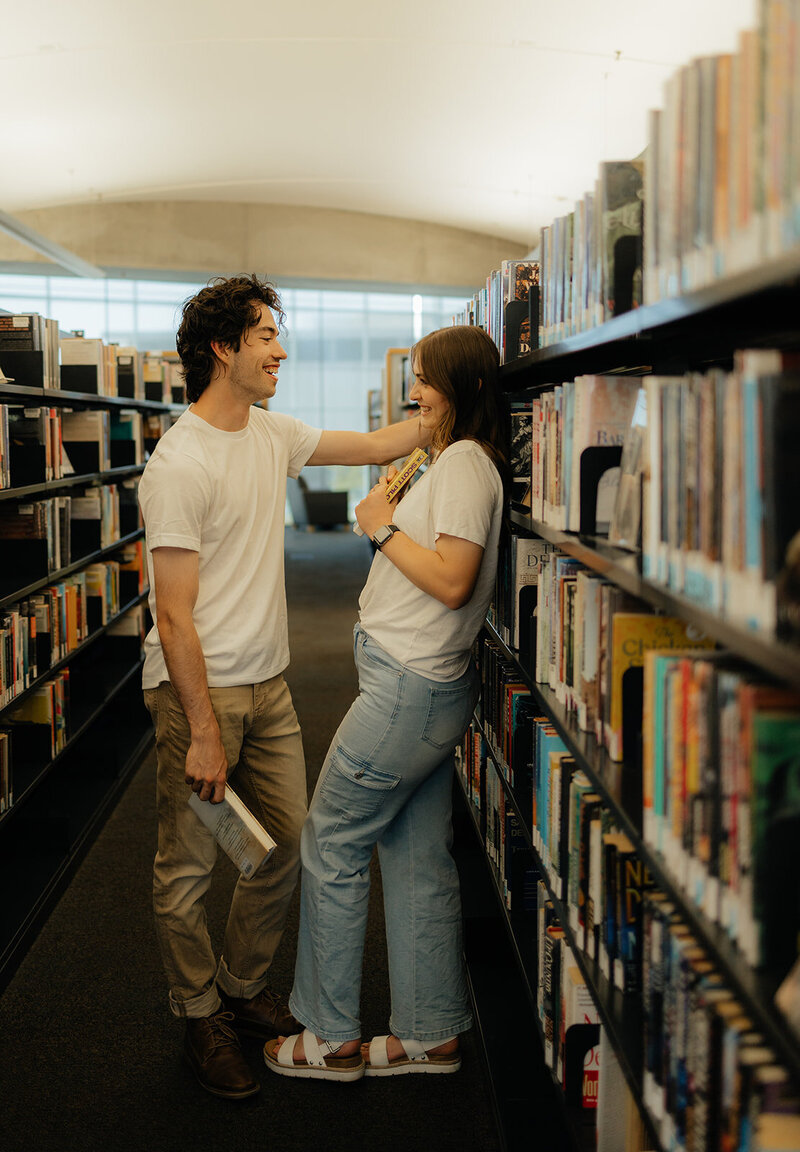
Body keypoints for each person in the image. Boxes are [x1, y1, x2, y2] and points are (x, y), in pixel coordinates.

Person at [138, 274, 428, 1100]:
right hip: (202, 697)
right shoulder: (180, 463)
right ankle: (199, 1017)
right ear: (223, 348)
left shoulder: (271, 435)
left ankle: (238, 986)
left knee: (287, 848)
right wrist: (200, 729)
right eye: (266, 335)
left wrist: (450, 415)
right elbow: (173, 613)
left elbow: (374, 447)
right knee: (189, 867)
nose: (281, 350)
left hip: (270, 689)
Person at [264, 324, 508, 1082]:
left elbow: (451, 579)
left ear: (463, 388)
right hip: (418, 683)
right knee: (412, 854)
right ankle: (432, 1033)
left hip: (408, 689)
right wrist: (397, 495)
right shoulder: (448, 459)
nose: (414, 389)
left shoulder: (466, 466)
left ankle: (327, 1034)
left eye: (427, 378)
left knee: (332, 839)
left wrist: (376, 529)